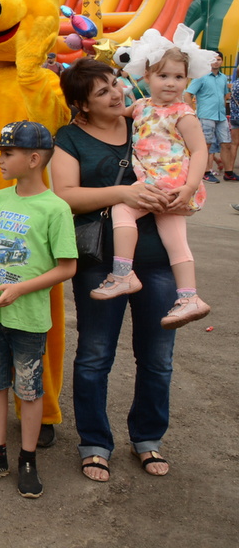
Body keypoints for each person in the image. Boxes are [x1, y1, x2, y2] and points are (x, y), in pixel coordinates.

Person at [51, 58, 182, 482]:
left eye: (115, 83)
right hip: (100, 262)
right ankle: (94, 443)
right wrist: (123, 193)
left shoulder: (145, 120)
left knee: (157, 357)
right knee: (94, 355)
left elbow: (180, 160)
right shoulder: (69, 138)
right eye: (103, 91)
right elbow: (65, 196)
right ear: (82, 104)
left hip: (158, 258)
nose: (116, 93)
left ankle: (147, 437)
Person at [0, 122, 77, 499]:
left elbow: (67, 267)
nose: (0, 160)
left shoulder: (56, 208)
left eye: (7, 153)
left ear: (33, 159)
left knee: (29, 391)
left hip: (28, 320)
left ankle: (28, 460)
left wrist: (19, 289)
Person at [94, 38, 211, 328]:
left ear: (187, 79)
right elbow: (115, 113)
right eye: (163, 75)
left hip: (168, 184)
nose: (171, 83)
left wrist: (190, 186)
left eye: (178, 77)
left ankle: (123, 273)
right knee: (176, 241)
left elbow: (200, 151)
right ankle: (189, 297)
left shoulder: (183, 114)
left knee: (123, 208)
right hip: (165, 185)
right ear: (146, 76)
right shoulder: (140, 106)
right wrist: (86, 114)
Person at [186, 52, 229, 183]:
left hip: (221, 115)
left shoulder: (223, 78)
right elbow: (188, 94)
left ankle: (228, 172)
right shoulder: (201, 77)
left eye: (219, 59)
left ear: (222, 61)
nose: (216, 62)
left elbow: (225, 94)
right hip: (206, 115)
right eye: (213, 59)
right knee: (206, 144)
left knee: (226, 143)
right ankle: (205, 171)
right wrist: (191, 112)